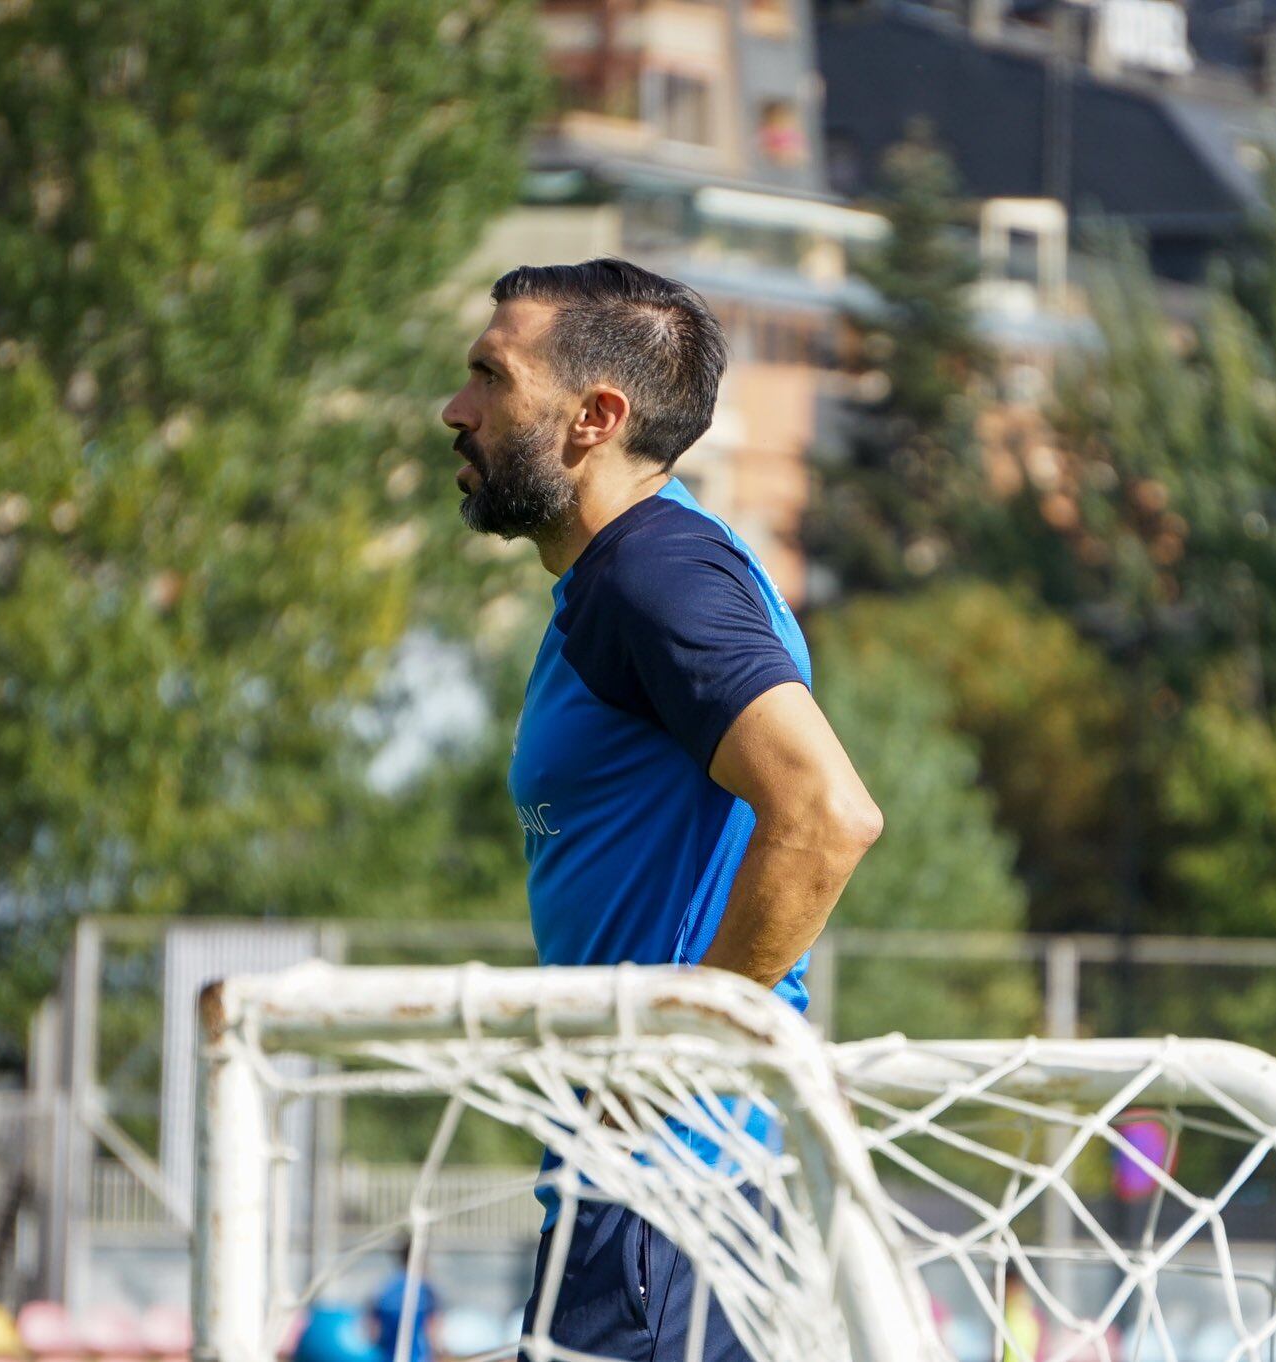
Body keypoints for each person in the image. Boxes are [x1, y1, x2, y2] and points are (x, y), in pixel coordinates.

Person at [442, 259, 884, 1361]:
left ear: (594, 418)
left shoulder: (655, 575)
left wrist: (669, 1065)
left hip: (666, 1196)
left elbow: (826, 815)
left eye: (488, 379)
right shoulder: (631, 571)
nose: (455, 412)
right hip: (660, 1191)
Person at [366, 1239, 437, 1362]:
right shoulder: (424, 1289)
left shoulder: (385, 1288)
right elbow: (433, 1331)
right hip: (417, 1357)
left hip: (387, 1357)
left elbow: (372, 1331)